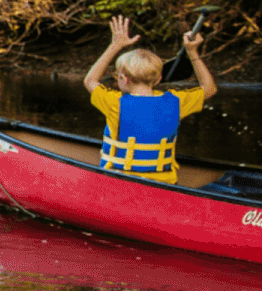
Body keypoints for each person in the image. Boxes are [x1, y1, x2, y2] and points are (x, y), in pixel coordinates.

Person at [82, 14, 216, 183]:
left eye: (117, 77)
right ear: (159, 79)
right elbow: (209, 88)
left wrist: (115, 45)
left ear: (124, 78)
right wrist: (192, 52)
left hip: (119, 181)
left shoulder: (114, 102)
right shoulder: (176, 101)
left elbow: (90, 80)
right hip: (164, 183)